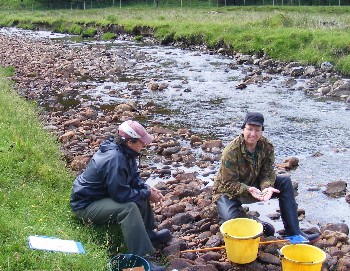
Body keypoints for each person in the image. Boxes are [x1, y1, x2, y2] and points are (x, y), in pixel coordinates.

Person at [70, 120, 171, 271]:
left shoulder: (126, 152)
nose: (145, 145)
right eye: (142, 142)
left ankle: (147, 233)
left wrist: (147, 189)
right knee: (129, 207)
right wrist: (146, 194)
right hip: (85, 205)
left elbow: (134, 179)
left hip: (102, 197)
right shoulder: (115, 159)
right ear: (130, 142)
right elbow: (121, 195)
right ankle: (141, 257)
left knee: (141, 194)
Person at [213, 112, 320, 243]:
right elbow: (228, 183)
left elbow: (268, 173)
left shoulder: (266, 146)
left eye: (257, 130)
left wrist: (267, 187)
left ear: (262, 131)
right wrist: (249, 190)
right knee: (233, 225)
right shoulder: (231, 151)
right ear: (243, 129)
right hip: (227, 192)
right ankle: (258, 224)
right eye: (250, 129)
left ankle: (293, 232)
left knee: (285, 181)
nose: (253, 134)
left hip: (254, 185)